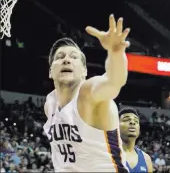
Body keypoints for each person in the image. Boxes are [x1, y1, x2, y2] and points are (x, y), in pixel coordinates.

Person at [43, 15, 130, 172]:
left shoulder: (89, 93)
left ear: (84, 71)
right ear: (50, 71)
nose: (66, 60)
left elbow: (113, 81)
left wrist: (115, 53)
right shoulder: (50, 103)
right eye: (60, 57)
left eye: (74, 57)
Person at [119, 107, 153, 172]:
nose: (132, 122)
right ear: (116, 126)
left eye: (136, 121)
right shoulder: (107, 155)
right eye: (126, 120)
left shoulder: (146, 159)